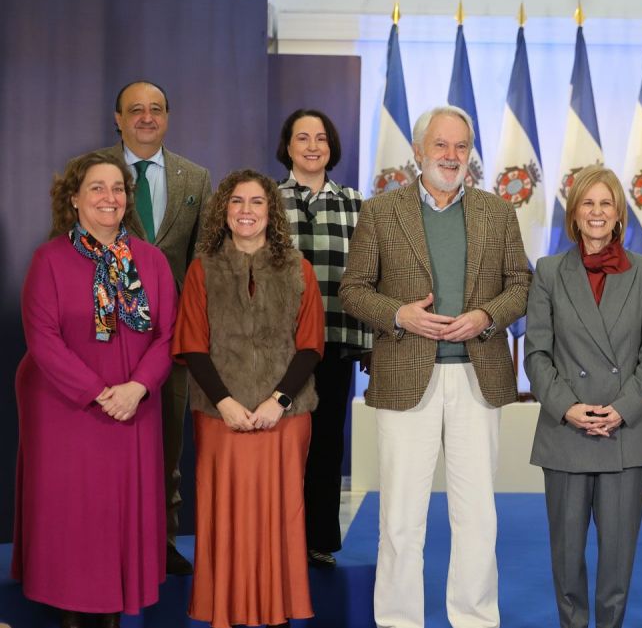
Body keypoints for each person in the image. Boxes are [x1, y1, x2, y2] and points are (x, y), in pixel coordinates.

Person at [340, 105, 530, 628]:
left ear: (471, 153)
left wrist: (486, 316)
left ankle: (474, 618)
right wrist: (399, 315)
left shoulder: (498, 211)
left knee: (476, 514)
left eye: (461, 147)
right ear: (419, 151)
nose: (451, 156)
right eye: (441, 146)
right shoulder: (382, 211)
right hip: (405, 375)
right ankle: (399, 619)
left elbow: (521, 284)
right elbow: (353, 290)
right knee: (400, 516)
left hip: (477, 376)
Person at [13, 152, 177, 628]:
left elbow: (169, 335)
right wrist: (100, 392)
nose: (110, 198)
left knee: (118, 517)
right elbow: (41, 338)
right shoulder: (48, 260)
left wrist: (138, 389)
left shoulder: (152, 260)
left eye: (118, 189)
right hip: (65, 408)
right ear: (74, 200)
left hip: (134, 407)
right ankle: (70, 607)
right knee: (74, 513)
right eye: (97, 189)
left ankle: (111, 612)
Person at [174, 170, 324, 628]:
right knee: (224, 513)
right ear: (224, 210)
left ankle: (276, 608)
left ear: (270, 211)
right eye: (237, 201)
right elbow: (191, 344)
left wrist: (277, 401)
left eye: (257, 202)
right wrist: (224, 403)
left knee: (281, 513)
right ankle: (224, 608)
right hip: (221, 417)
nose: (246, 211)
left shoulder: (299, 269)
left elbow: (311, 344)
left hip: (285, 415)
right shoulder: (202, 269)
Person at [525, 166, 642, 628]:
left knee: (618, 556)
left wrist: (621, 410)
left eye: (606, 203)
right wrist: (568, 408)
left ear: (619, 213)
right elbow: (537, 353)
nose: (597, 212)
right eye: (588, 203)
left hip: (624, 430)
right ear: (574, 212)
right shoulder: (548, 271)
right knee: (566, 554)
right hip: (567, 429)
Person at [92, 79, 212, 576]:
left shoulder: (196, 178)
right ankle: (103, 540)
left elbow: (202, 259)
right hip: (104, 334)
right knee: (105, 439)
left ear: (168, 117)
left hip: (171, 336)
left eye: (156, 109)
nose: (146, 117)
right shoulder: (94, 171)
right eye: (135, 109)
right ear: (117, 119)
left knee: (167, 443)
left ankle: (160, 541)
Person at [275, 109, 372, 567]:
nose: (312, 146)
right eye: (302, 138)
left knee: (328, 441)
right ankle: (278, 536)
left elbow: (375, 274)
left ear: (331, 147)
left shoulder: (356, 203)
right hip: (280, 347)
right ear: (287, 146)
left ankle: (318, 540)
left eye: (321, 138)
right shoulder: (267, 200)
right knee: (282, 441)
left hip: (337, 340)